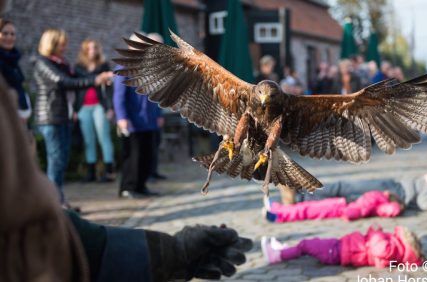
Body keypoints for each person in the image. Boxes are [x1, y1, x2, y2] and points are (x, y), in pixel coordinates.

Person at [0, 75, 253, 281]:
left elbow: (61, 237)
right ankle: (130, 187)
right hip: (134, 124)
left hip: (145, 124)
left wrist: (173, 252)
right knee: (132, 161)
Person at [33, 29, 113, 206]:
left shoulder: (61, 62)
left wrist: (100, 77)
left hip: (63, 116)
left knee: (62, 160)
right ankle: (55, 203)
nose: (64, 47)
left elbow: (79, 76)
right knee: (56, 160)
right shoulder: (42, 62)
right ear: (52, 44)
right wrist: (95, 81)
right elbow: (63, 82)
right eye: (61, 44)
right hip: (51, 117)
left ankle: (59, 199)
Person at [113, 32, 163, 198]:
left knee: (146, 156)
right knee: (132, 157)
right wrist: (121, 117)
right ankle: (128, 188)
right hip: (132, 121)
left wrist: (159, 114)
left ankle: (141, 186)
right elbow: (119, 96)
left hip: (148, 121)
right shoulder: (123, 68)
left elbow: (156, 94)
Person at [292, 173, 427, 211]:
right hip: (396, 186)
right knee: (347, 194)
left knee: (345, 189)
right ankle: (302, 196)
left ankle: (302, 195)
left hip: (397, 192)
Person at [261, 226, 422, 268]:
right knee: (312, 243)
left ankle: (277, 256)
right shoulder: (396, 248)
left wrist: (375, 233)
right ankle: (284, 249)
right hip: (341, 246)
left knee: (306, 245)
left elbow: (379, 249)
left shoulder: (393, 248)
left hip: (339, 252)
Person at [74, 39, 115, 182]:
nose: (92, 51)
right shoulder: (79, 67)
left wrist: (110, 108)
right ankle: (90, 172)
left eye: (94, 48)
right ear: (85, 50)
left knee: (103, 138)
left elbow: (110, 88)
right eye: (89, 48)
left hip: (100, 106)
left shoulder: (104, 65)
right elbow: (75, 87)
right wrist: (74, 109)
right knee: (88, 140)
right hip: (83, 107)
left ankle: (109, 171)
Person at [263, 190, 402, 223]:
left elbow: (363, 208)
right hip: (341, 203)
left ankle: (279, 216)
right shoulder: (379, 198)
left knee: (308, 210)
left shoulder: (381, 200)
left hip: (341, 208)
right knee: (307, 206)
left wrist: (398, 206)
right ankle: (277, 208)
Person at [146, 32, 168, 181]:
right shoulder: (145, 65)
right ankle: (148, 173)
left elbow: (158, 93)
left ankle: (154, 171)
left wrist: (159, 114)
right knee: (146, 146)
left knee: (155, 142)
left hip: (154, 111)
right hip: (143, 113)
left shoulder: (159, 66)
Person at [0, 19, 31, 122]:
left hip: (19, 119)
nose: (9, 37)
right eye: (4, 33)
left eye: (12, 34)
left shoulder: (13, 60)